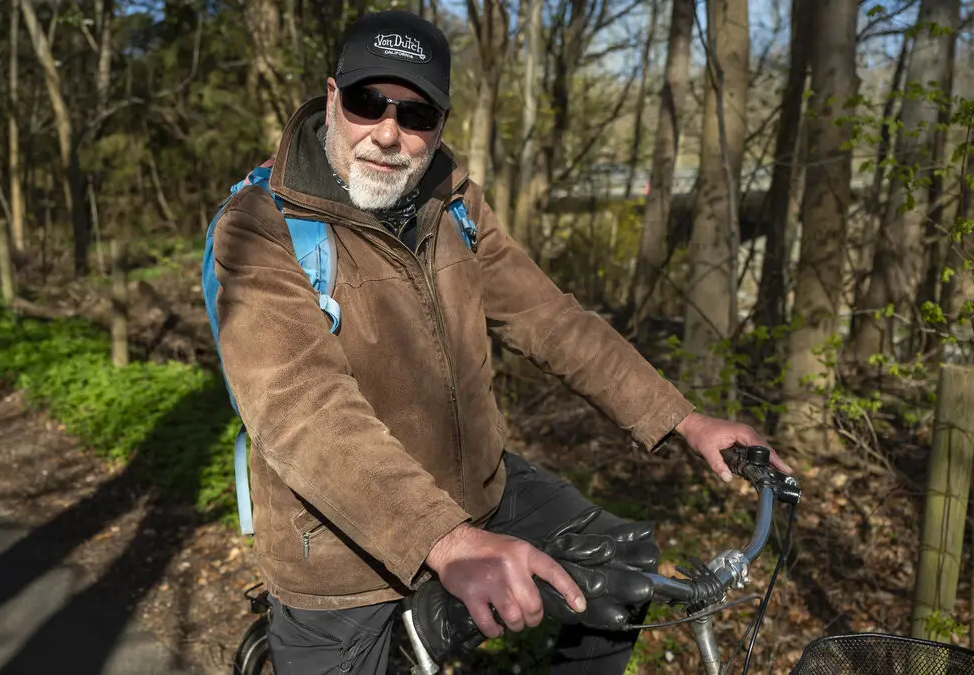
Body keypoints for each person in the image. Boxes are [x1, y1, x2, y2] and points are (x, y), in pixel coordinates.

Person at [209, 9, 792, 674]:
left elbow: (549, 317)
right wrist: (449, 542)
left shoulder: (451, 201)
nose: (389, 134)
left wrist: (683, 418)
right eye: (371, 103)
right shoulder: (259, 226)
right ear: (334, 96)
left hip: (472, 485)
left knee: (623, 569)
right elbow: (303, 411)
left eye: (416, 114)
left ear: (441, 125)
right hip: (334, 544)